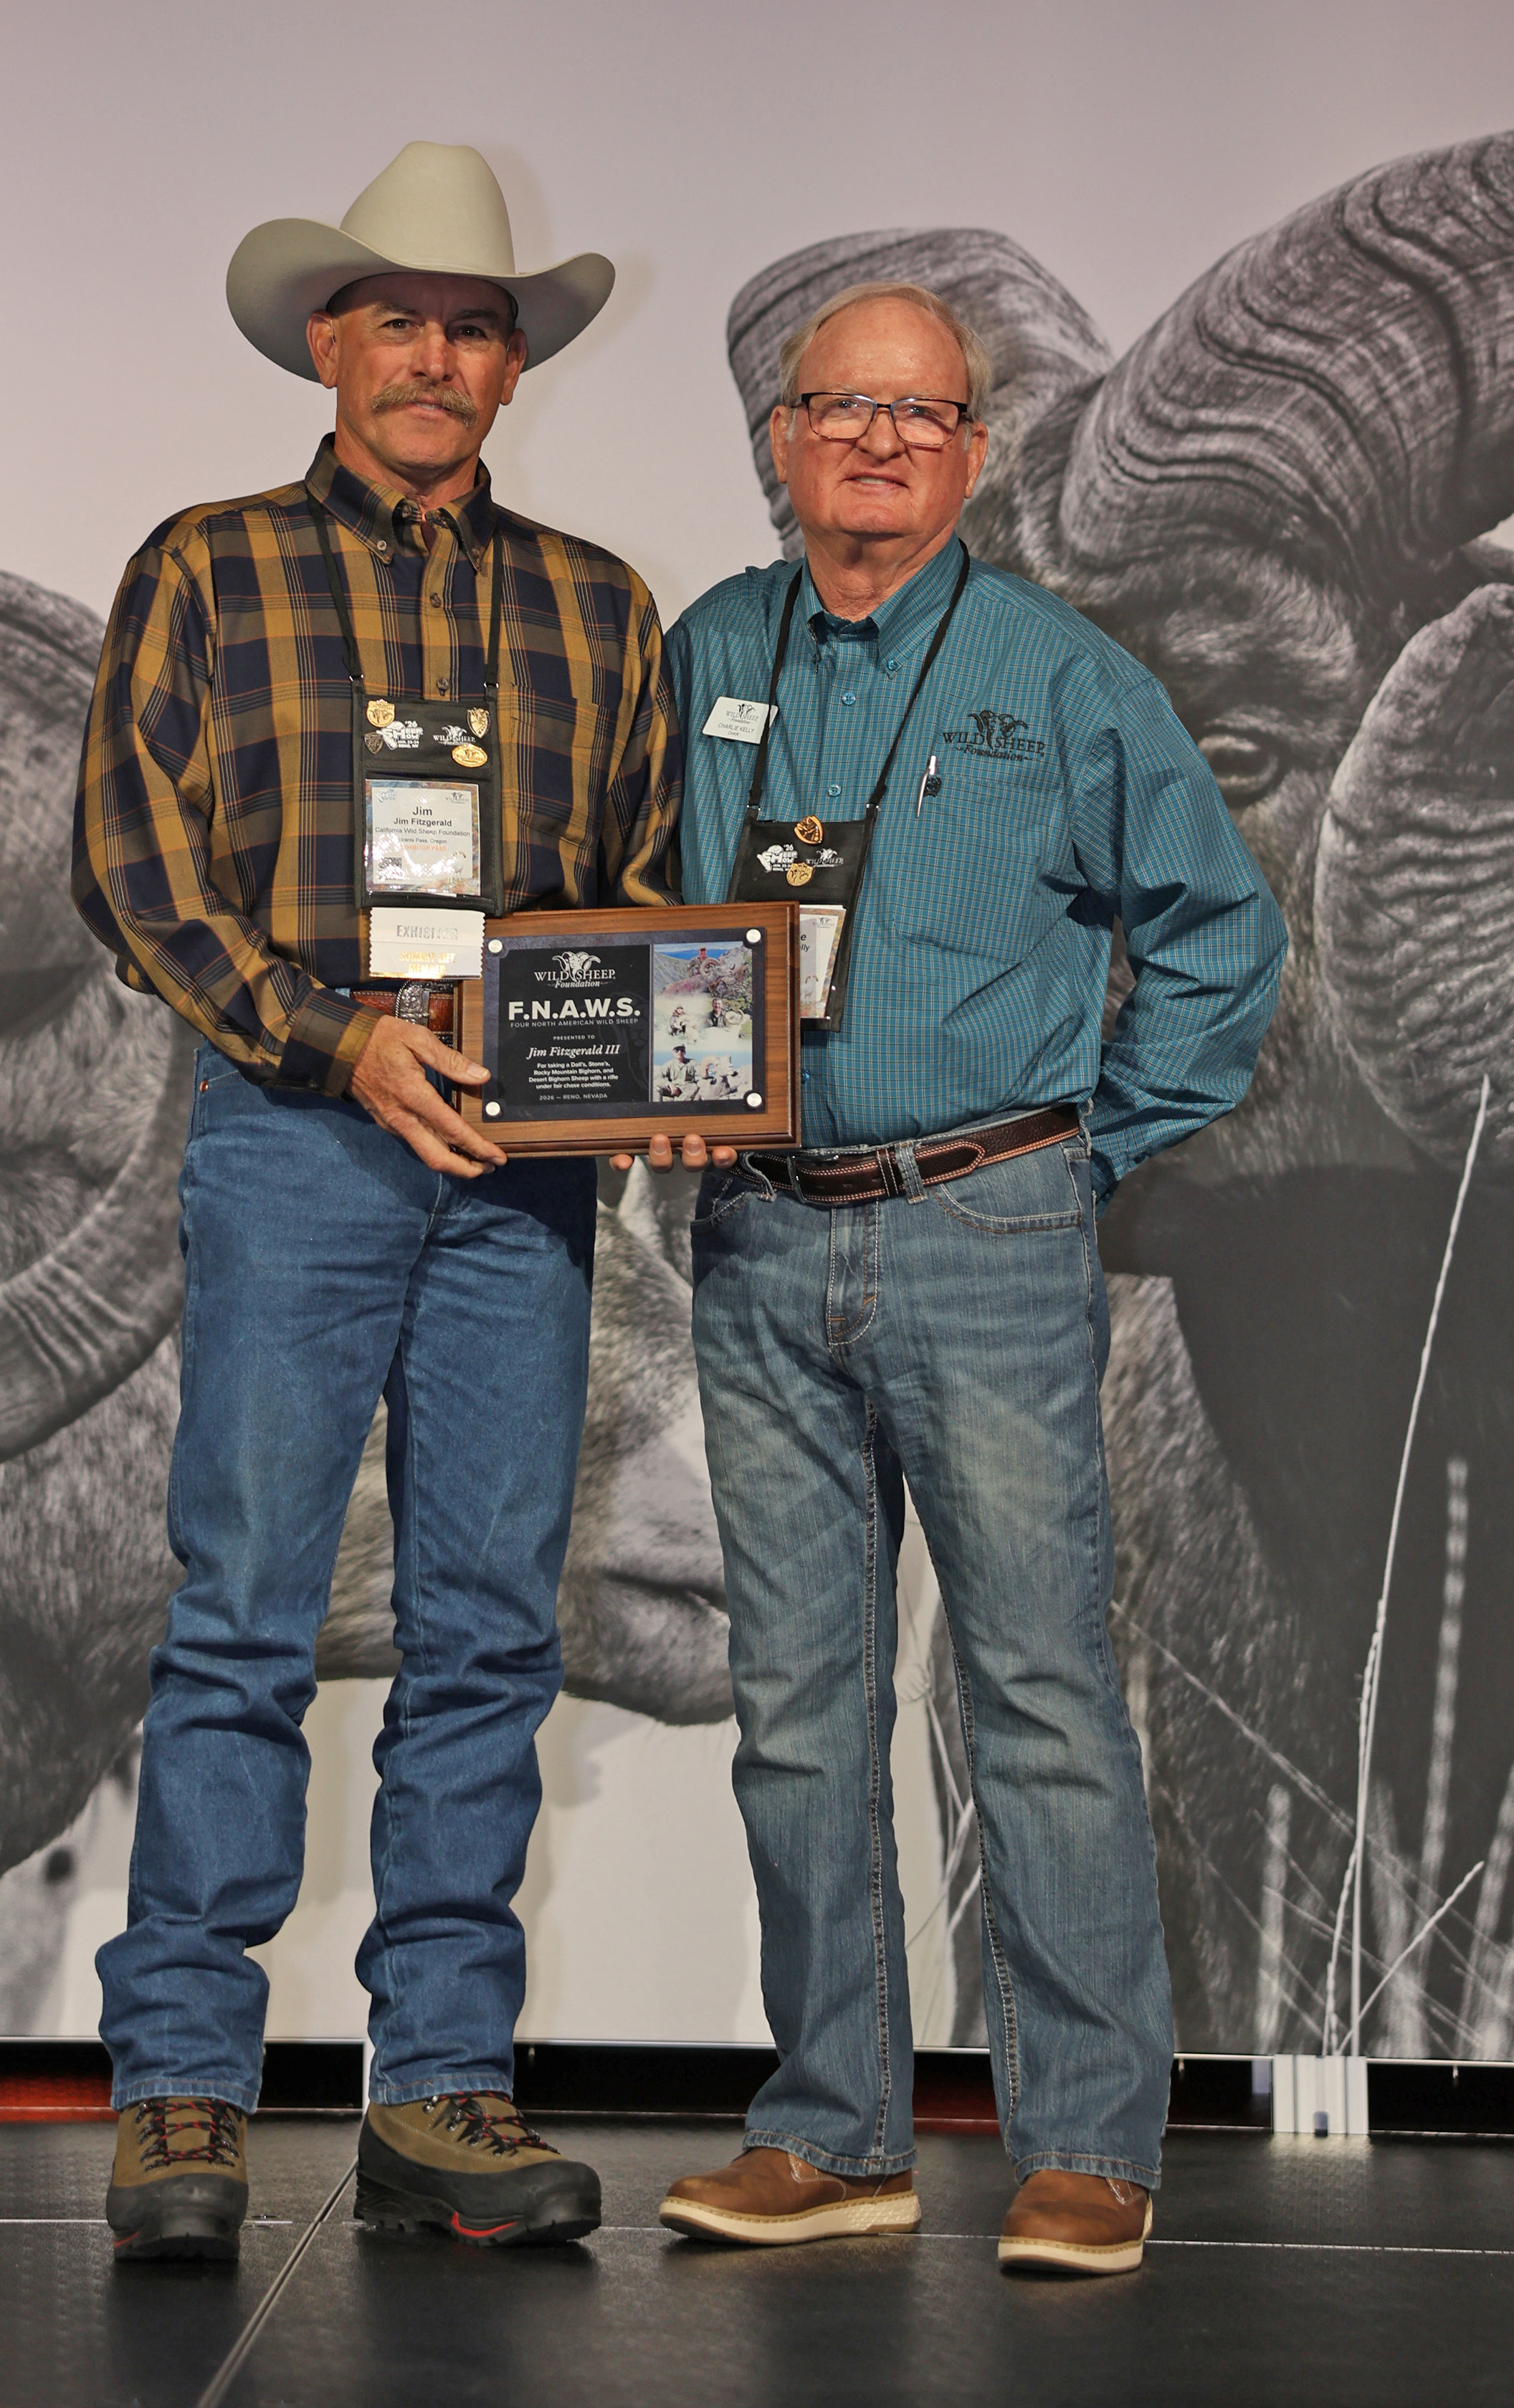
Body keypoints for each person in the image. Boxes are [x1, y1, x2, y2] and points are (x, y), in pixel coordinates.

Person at [71, 143, 680, 2262]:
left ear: (516, 369)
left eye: (474, 327)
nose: (436, 357)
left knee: (488, 1629)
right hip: (297, 1138)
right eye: (399, 320)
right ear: (328, 345)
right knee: (246, 1613)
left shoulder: (601, 606)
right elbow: (135, 868)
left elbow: (640, 896)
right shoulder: (207, 568)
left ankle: (441, 2086)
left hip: (519, 1175)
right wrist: (342, 1042)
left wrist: (644, 1065)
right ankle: (181, 2092)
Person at [652, 282, 1285, 2275]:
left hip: (986, 1235)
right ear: (781, 437)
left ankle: (1088, 2142)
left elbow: (1219, 935)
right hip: (758, 1238)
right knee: (796, 1711)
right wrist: (647, 1078)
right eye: (840, 407)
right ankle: (831, 2134)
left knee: (1035, 1693)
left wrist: (1086, 1150)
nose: (876, 442)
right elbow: (647, 919)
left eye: (918, 416)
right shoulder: (707, 652)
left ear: (971, 454)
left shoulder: (1058, 673)